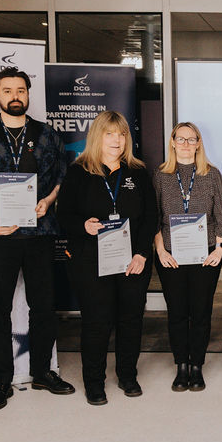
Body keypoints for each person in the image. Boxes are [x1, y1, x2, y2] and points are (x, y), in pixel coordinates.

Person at [0, 66, 75, 411]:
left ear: (28, 94)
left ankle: (41, 373)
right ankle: (2, 381)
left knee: (44, 307)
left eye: (20, 90)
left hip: (39, 234)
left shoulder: (48, 134)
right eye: (7, 90)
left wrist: (47, 201)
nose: (15, 96)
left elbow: (59, 179)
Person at [57, 111, 157, 405]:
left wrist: (141, 253)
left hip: (132, 261)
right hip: (91, 262)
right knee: (97, 322)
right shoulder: (78, 172)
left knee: (130, 320)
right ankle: (94, 382)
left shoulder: (137, 172)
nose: (117, 140)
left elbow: (151, 216)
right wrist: (83, 226)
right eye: (110, 133)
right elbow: (63, 215)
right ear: (97, 136)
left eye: (122, 134)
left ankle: (128, 376)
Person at [154, 122, 222, 392]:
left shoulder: (212, 174)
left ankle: (196, 365)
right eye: (180, 139)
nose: (186, 144)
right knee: (177, 312)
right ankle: (180, 366)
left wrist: (219, 249)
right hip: (171, 256)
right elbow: (155, 218)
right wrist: (160, 251)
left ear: (198, 143)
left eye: (191, 139)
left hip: (205, 255)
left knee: (200, 312)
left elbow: (220, 215)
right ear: (172, 142)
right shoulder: (160, 175)